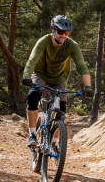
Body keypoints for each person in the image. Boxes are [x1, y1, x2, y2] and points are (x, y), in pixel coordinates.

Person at [21, 15, 93, 148]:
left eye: (66, 32)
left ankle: (54, 142)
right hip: (41, 74)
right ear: (53, 31)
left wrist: (88, 86)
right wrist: (26, 76)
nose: (64, 35)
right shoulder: (43, 41)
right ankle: (32, 134)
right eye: (60, 32)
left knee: (61, 110)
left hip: (59, 78)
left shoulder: (72, 45)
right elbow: (32, 60)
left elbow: (82, 67)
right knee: (33, 96)